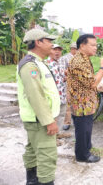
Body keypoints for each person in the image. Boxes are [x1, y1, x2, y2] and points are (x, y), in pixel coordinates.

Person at [17, 29, 60, 185]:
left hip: (36, 119)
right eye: (48, 41)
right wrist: (49, 121)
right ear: (38, 42)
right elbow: (35, 96)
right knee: (46, 156)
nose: (52, 44)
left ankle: (32, 181)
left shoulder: (37, 63)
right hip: (40, 121)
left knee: (33, 151)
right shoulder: (30, 65)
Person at [67, 34, 103, 163]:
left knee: (86, 128)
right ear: (82, 46)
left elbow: (87, 81)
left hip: (86, 102)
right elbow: (92, 83)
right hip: (81, 104)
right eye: (93, 45)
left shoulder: (84, 58)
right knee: (82, 130)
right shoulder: (79, 61)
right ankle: (82, 155)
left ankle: (86, 148)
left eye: (96, 45)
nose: (96, 48)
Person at [46, 44, 67, 130]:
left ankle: (58, 134)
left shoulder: (60, 63)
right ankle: (52, 138)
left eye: (59, 50)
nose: (57, 52)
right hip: (53, 98)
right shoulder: (46, 64)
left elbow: (61, 78)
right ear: (49, 51)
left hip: (62, 96)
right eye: (55, 49)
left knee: (61, 115)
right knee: (53, 117)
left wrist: (66, 77)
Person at [59, 42, 77, 131]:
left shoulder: (80, 59)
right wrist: (69, 74)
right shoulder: (65, 58)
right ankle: (67, 122)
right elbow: (62, 72)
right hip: (69, 84)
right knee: (69, 104)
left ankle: (77, 121)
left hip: (79, 85)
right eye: (76, 49)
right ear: (72, 49)